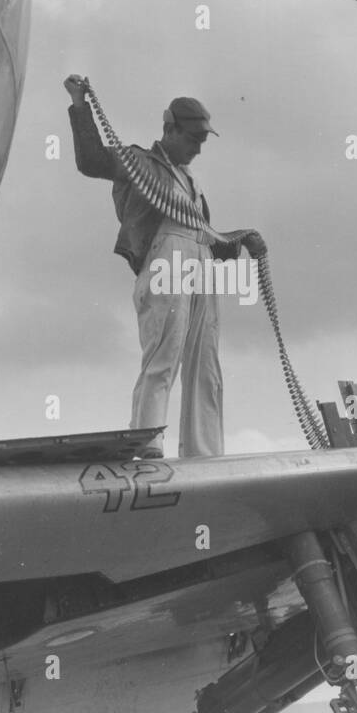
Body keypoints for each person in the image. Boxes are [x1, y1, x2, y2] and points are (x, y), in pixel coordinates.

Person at [65, 75, 265, 459]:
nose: (198, 149)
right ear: (169, 129)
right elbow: (90, 160)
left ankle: (204, 451)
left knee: (205, 362)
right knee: (164, 353)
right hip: (166, 259)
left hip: (199, 264)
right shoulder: (140, 162)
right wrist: (80, 104)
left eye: (202, 142)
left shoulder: (192, 183)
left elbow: (204, 236)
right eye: (193, 140)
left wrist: (240, 241)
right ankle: (147, 439)